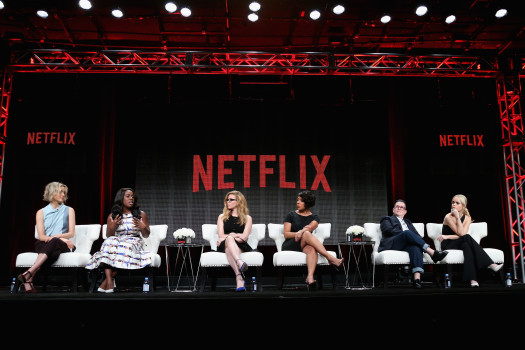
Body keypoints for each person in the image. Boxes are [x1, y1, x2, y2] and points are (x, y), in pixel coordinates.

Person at [85, 188, 151, 293]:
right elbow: (109, 235)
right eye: (128, 196)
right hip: (116, 242)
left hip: (134, 242)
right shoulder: (112, 216)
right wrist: (113, 227)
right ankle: (110, 280)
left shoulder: (141, 214)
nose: (131, 198)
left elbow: (146, 235)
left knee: (120, 246)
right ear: (121, 199)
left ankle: (107, 280)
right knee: (108, 242)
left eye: (132, 196)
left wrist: (143, 227)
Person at [17, 182, 76, 293]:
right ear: (51, 193)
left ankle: (30, 274)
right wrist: (54, 238)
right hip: (46, 244)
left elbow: (71, 233)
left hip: (64, 244)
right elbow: (42, 236)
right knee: (49, 248)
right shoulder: (41, 212)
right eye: (60, 192)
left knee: (54, 241)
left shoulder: (69, 210)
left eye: (64, 192)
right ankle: (29, 278)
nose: (63, 195)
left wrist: (58, 237)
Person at [379, 199, 448, 288]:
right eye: (397, 206)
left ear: (405, 211)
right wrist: (405, 234)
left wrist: (412, 238)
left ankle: (417, 280)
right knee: (407, 233)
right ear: (393, 209)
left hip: (406, 244)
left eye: (402, 207)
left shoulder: (408, 222)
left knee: (415, 247)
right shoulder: (386, 219)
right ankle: (432, 252)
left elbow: (417, 236)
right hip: (393, 243)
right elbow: (389, 230)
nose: (399, 208)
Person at [438, 194, 503, 287]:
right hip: (448, 244)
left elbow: (462, 234)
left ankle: (473, 280)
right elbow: (461, 233)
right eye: (453, 202)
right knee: (467, 237)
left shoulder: (467, 218)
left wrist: (447, 236)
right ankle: (490, 264)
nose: (454, 205)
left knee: (467, 246)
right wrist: (456, 217)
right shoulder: (448, 217)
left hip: (459, 241)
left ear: (463, 206)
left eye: (457, 203)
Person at [282, 190, 343, 288]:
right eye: (297, 200)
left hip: (304, 244)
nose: (297, 202)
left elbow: (311, 227)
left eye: (301, 201)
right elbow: (286, 234)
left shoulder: (315, 217)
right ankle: (330, 258)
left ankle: (310, 277)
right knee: (306, 233)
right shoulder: (291, 215)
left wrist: (301, 232)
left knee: (311, 249)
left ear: (307, 203)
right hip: (290, 244)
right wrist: (299, 233)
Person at [217, 190, 253, 292]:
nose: (228, 202)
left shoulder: (247, 218)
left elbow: (245, 237)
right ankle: (239, 262)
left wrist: (233, 235)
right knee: (228, 239)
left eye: (231, 200)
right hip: (225, 244)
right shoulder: (222, 217)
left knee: (229, 248)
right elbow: (221, 235)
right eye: (227, 200)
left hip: (241, 245)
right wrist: (233, 237)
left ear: (238, 202)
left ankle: (239, 278)